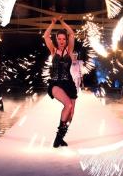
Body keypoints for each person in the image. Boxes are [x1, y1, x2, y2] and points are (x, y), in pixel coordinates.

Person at [44, 15, 77, 148]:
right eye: (59, 38)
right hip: (56, 83)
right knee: (68, 105)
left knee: (71, 114)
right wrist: (53, 23)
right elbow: (46, 36)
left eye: (64, 39)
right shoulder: (53, 50)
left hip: (69, 84)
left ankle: (61, 138)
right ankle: (57, 140)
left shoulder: (69, 51)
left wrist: (62, 22)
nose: (62, 41)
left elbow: (72, 34)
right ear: (56, 39)